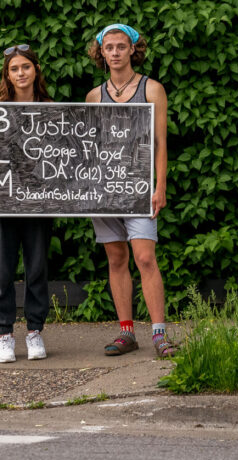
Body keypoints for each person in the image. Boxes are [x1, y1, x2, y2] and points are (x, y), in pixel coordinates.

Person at [85, 24, 176, 357]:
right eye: (108, 47)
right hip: (104, 191)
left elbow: (160, 142)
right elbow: (88, 147)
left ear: (133, 49)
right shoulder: (94, 96)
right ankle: (126, 332)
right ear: (101, 52)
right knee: (116, 258)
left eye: (121, 47)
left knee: (145, 257)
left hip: (138, 187)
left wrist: (159, 185)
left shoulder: (152, 89)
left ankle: (159, 334)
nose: (114, 53)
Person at [0, 45, 52, 363]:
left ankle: (35, 332)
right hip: (4, 200)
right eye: (14, 68)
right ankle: (4, 335)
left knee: (37, 268)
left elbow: (64, 158)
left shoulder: (51, 108)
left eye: (26, 67)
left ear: (36, 70)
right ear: (8, 74)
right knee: (3, 270)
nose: (21, 73)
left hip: (40, 201)